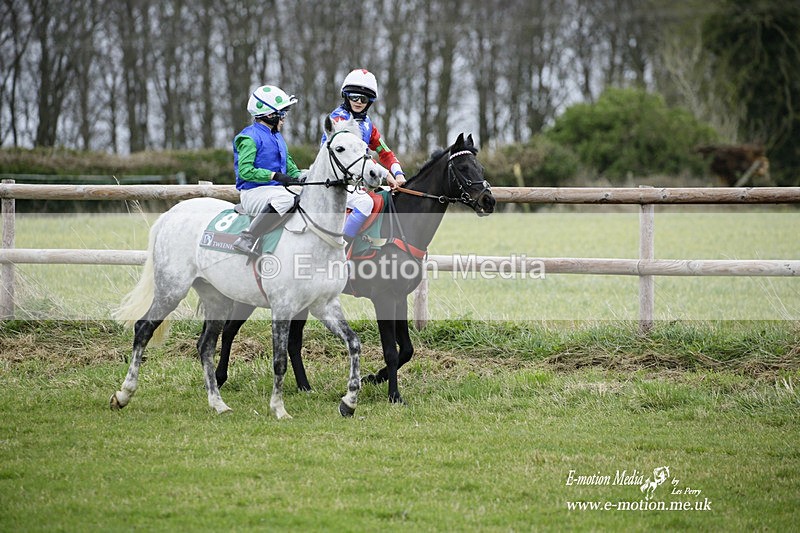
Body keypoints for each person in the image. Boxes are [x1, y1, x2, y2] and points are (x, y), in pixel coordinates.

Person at [321, 69, 406, 241]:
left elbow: (386, 153)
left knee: (389, 197)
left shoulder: (368, 124)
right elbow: (355, 158)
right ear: (346, 96)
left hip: (354, 180)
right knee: (365, 203)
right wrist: (385, 173)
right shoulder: (339, 120)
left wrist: (398, 174)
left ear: (370, 102)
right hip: (334, 181)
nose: (359, 102)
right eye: (354, 97)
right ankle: (342, 246)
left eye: (364, 99)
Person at [232, 84, 302, 258]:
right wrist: (274, 176)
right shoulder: (249, 137)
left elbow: (290, 165)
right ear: (270, 115)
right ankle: (247, 238)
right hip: (253, 192)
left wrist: (302, 178)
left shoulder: (276, 136)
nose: (284, 119)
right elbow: (245, 171)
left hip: (274, 190)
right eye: (283, 114)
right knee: (286, 199)